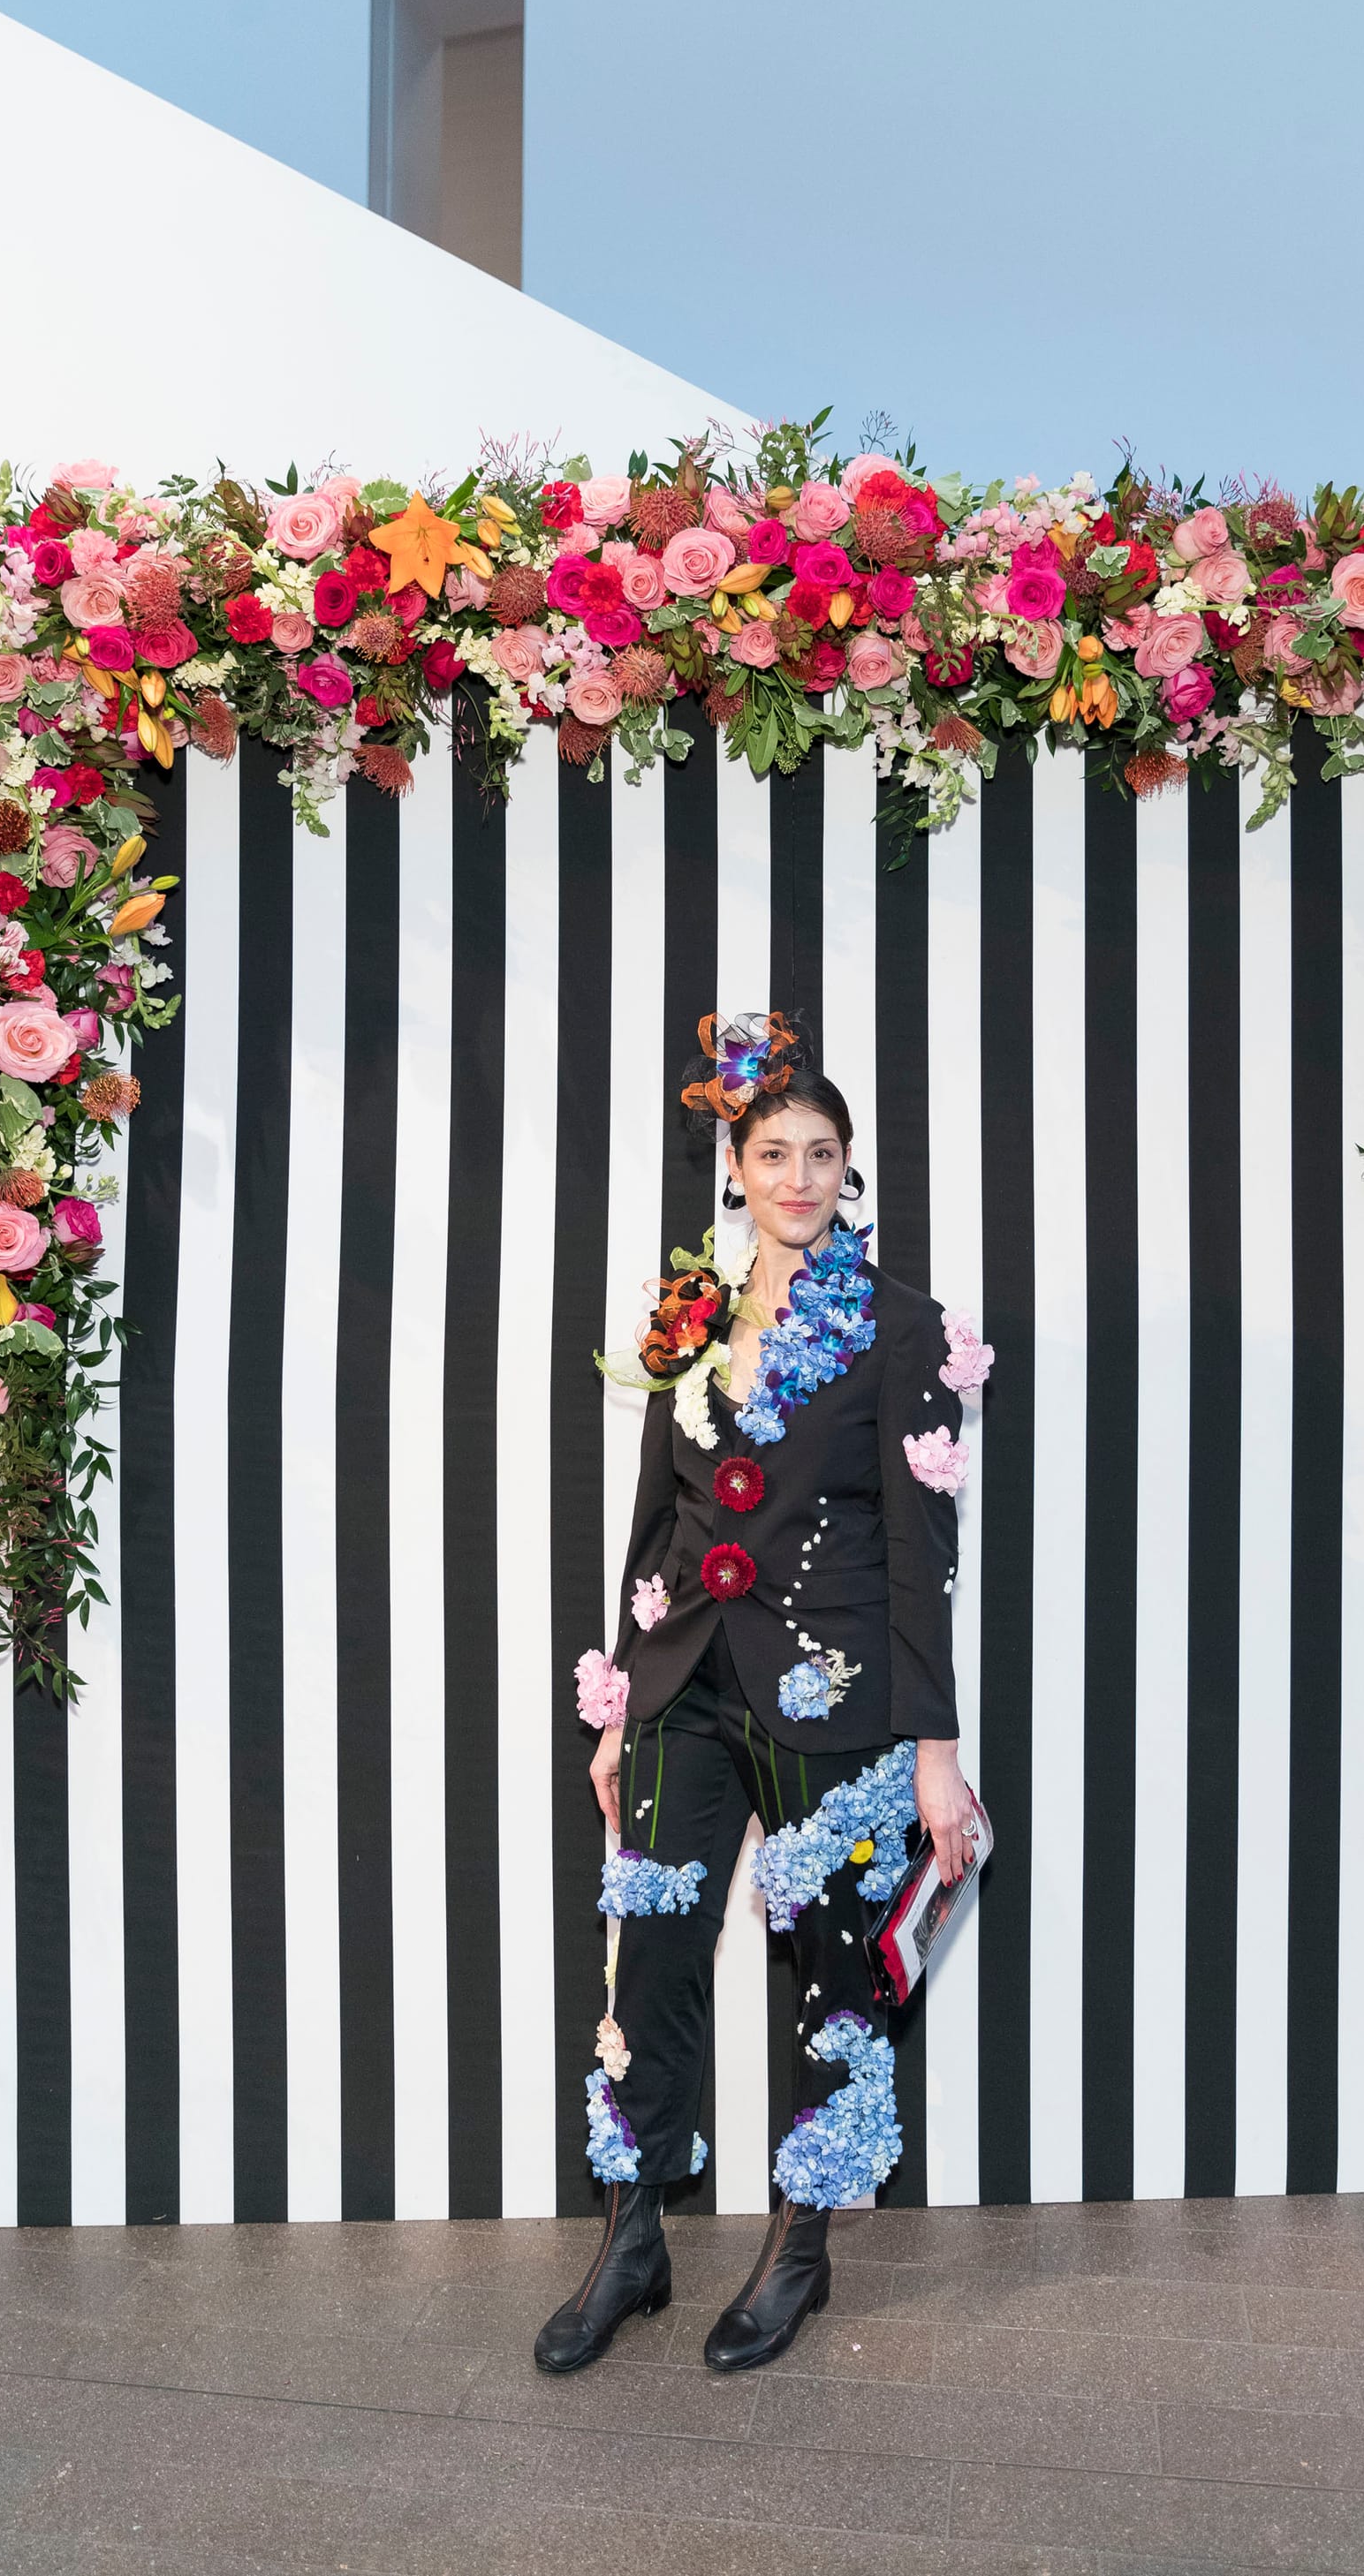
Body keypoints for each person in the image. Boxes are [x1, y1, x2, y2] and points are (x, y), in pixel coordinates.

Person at [534, 1011, 985, 2376]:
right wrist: (621, 1700)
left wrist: (934, 1748)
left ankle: (802, 2246)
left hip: (835, 1695)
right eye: (775, 1151)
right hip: (684, 1683)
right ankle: (632, 2240)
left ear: (850, 1169)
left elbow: (923, 1553)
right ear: (734, 1167)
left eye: (822, 1152)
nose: (800, 1176)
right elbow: (657, 1523)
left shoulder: (904, 1329)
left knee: (837, 1975)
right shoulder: (689, 1321)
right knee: (649, 1960)